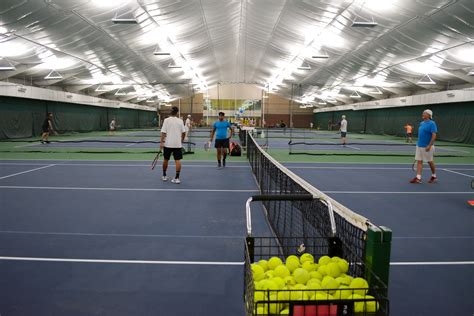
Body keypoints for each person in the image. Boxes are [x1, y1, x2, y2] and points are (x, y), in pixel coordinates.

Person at [410, 109, 438, 184]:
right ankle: (418, 178)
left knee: (430, 161)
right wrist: (418, 144)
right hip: (419, 145)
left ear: (429, 115)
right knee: (419, 161)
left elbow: (434, 135)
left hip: (427, 147)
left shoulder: (432, 123)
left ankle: (434, 176)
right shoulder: (421, 123)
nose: (423, 114)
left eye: (424, 113)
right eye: (423, 113)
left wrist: (429, 145)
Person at [160, 106, 186, 184]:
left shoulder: (166, 120)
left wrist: (161, 142)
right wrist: (181, 140)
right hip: (177, 144)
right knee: (177, 160)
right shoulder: (180, 121)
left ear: (170, 112)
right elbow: (184, 133)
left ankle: (164, 176)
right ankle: (177, 178)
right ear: (177, 112)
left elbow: (163, 133)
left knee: (165, 159)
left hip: (167, 144)